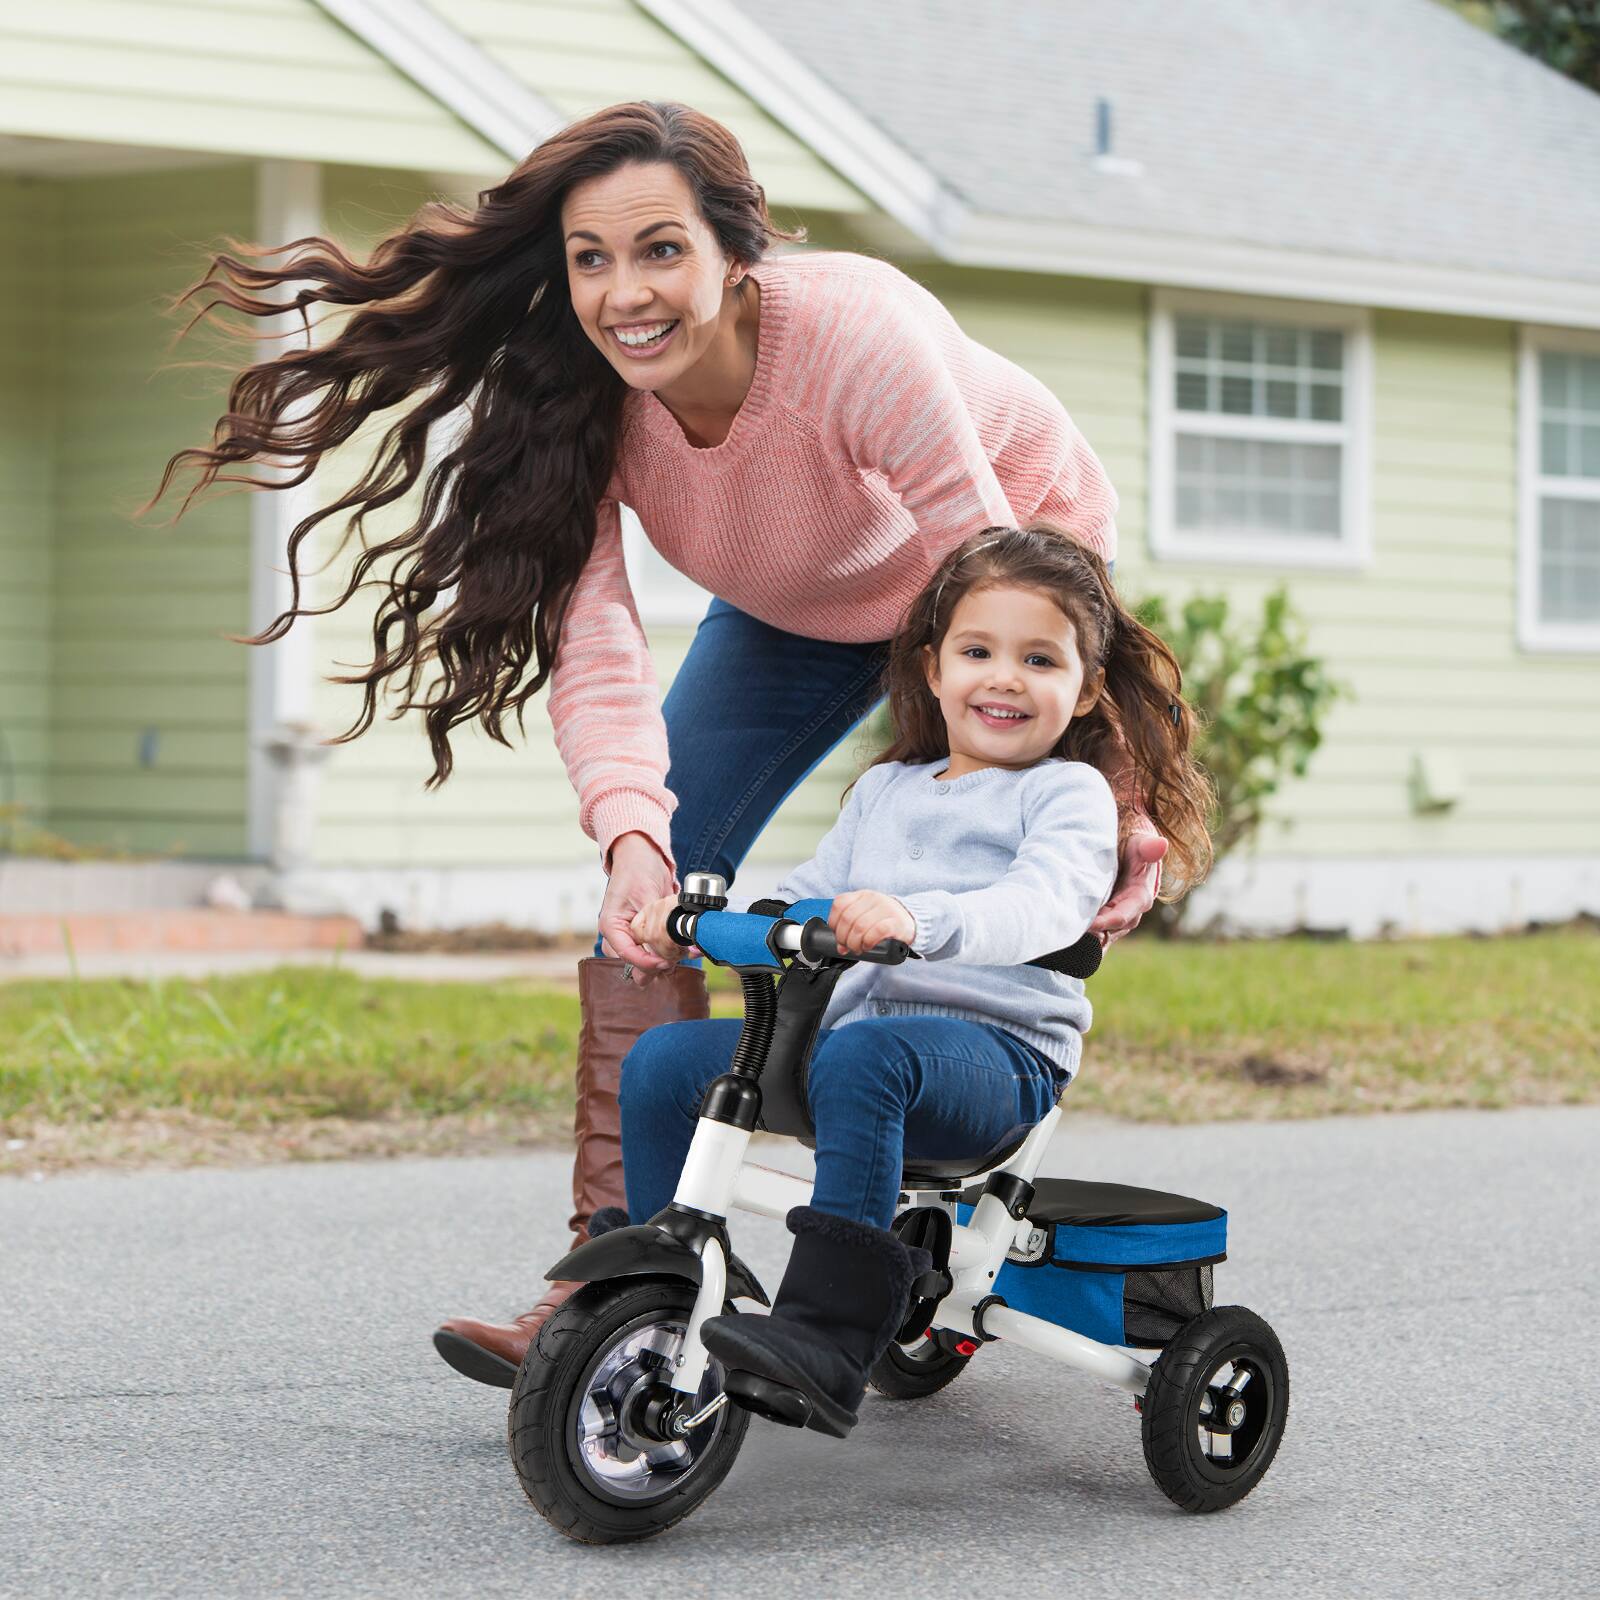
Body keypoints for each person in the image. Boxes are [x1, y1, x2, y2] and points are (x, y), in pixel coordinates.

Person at [143, 100, 1167, 1388]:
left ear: (738, 254)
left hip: (995, 569)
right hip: (796, 596)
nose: (624, 292)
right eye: (590, 258)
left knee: (957, 843)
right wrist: (634, 841)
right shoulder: (574, 398)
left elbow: (980, 563)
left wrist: (1115, 788)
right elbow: (600, 650)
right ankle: (616, 1274)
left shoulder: (857, 337)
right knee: (644, 903)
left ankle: (934, 1106)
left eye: (660, 250)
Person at [607, 524, 1215, 1437]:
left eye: (1038, 659)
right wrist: (702, 923)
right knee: (663, 1062)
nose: (1004, 677)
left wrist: (916, 920)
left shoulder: (1067, 795)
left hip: (997, 1064)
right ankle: (661, 1287)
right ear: (934, 671)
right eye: (978, 651)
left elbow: (1041, 906)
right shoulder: (890, 790)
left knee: (868, 1059)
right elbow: (810, 895)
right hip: (858, 1047)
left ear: (1085, 688)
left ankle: (828, 1330)